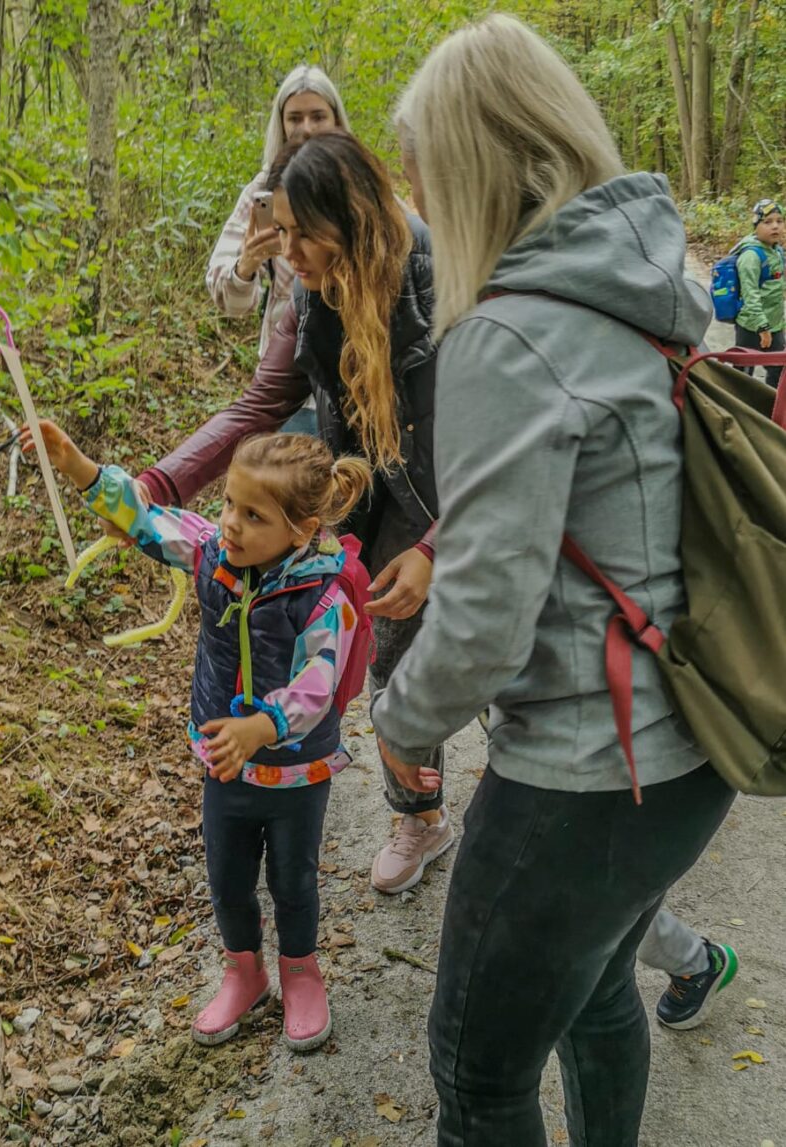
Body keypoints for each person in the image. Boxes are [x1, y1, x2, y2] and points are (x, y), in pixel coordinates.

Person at [371, 14, 736, 1146]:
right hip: (688, 753)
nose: (415, 194)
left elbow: (483, 614)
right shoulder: (646, 290)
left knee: (474, 1073)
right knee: (590, 998)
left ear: (470, 163)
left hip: (582, 779)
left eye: (422, 165)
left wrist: (400, 724)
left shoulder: (504, 334)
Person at [136, 130, 455, 897]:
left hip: (453, 493)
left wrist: (440, 547)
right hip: (364, 494)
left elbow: (503, 442)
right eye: (281, 231)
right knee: (389, 657)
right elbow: (258, 404)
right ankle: (423, 809)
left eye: (302, 232)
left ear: (353, 221)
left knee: (474, 657)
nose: (289, 251)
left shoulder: (439, 280)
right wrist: (158, 484)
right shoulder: (312, 299)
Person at [21, 422, 372, 1052]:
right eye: (230, 504)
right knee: (228, 878)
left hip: (295, 774)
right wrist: (77, 466)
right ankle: (245, 971)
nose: (231, 523)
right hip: (224, 766)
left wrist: (263, 725)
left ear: (298, 530)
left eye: (253, 515)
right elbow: (150, 520)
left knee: (294, 880)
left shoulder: (323, 594)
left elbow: (319, 684)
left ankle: (300, 971)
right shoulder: (214, 551)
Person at [206, 65, 351, 433]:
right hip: (288, 381)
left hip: (357, 374)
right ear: (281, 124)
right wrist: (249, 262)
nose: (306, 128)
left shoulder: (359, 183)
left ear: (336, 119)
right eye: (294, 118)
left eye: (318, 116)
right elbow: (229, 300)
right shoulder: (264, 191)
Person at [733, 198, 786, 388]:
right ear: (756, 225)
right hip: (751, 325)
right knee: (744, 374)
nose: (775, 226)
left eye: (779, 221)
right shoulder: (751, 256)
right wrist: (762, 327)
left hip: (775, 324)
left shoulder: (777, 251)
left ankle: (772, 411)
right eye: (768, 221)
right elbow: (750, 294)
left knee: (779, 370)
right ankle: (739, 410)